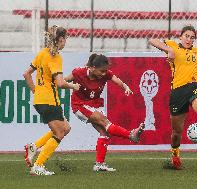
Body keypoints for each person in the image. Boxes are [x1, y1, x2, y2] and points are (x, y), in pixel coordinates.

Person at [149, 25, 197, 170]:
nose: (189, 39)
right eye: (187, 36)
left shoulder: (196, 52)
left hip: (195, 85)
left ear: (194, 40)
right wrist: (168, 50)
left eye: (192, 37)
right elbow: (151, 40)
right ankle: (175, 157)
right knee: (176, 132)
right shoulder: (173, 46)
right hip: (178, 91)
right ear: (181, 36)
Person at [64, 53, 145, 172]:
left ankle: (99, 164)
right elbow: (63, 81)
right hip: (80, 105)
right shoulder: (78, 73)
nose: (104, 73)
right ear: (92, 68)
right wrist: (72, 86)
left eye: (106, 71)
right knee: (105, 122)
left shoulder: (105, 74)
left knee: (105, 133)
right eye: (102, 71)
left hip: (94, 104)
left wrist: (126, 87)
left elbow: (118, 81)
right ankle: (130, 135)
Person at [23, 25, 80, 175]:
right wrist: (73, 86)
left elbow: (26, 74)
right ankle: (38, 166)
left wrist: (36, 91)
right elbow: (60, 83)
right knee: (59, 133)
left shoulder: (42, 53)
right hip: (49, 101)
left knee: (65, 128)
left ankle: (34, 147)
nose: (65, 42)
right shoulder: (55, 57)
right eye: (65, 39)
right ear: (60, 39)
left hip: (40, 100)